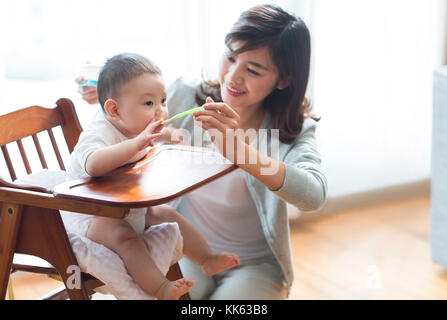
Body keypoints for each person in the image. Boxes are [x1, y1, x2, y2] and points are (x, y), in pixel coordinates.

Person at [78, 4, 327, 300]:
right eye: (230, 57)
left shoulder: (291, 130)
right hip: (184, 247)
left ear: (283, 80)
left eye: (253, 70)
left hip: (256, 266)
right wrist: (111, 97)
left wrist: (241, 152)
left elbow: (314, 195)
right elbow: (120, 125)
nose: (233, 77)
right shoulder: (183, 97)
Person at [66, 53, 240, 300]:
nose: (160, 111)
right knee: (124, 237)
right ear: (114, 110)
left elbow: (158, 131)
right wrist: (137, 143)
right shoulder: (99, 133)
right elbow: (93, 164)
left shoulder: (134, 124)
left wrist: (170, 135)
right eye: (149, 104)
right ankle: (160, 288)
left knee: (168, 214)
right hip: (91, 215)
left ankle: (207, 259)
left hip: (126, 206)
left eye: (163, 100)